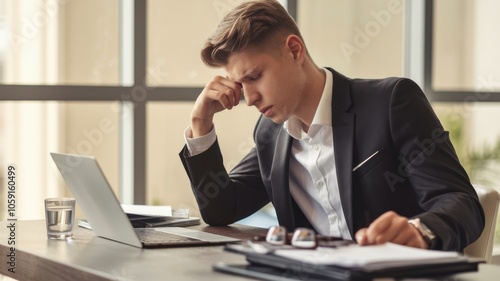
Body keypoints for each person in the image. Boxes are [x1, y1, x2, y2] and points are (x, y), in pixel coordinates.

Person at [179, 0, 484, 251]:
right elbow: (221, 209)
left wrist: (419, 231)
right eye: (240, 84)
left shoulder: (391, 103)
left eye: (255, 76)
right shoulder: (270, 134)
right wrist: (200, 122)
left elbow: (461, 202)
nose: (249, 98)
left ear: (295, 50)